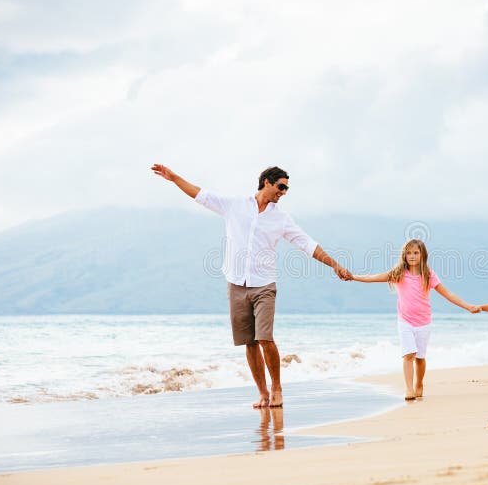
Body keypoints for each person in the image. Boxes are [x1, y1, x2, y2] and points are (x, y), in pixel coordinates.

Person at [151, 164, 352, 408]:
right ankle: (263, 393)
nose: (283, 192)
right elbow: (200, 194)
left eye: (287, 188)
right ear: (266, 182)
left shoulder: (281, 218)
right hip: (236, 284)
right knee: (249, 342)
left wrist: (334, 265)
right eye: (281, 186)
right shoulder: (235, 205)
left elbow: (307, 244)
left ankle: (277, 388)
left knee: (265, 338)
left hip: (264, 285)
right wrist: (173, 178)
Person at [352, 239, 480, 401]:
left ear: (422, 255)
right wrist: (353, 277)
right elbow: (373, 277)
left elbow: (448, 294)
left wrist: (468, 306)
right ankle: (409, 388)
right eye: (409, 253)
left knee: (420, 358)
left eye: (416, 252)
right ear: (404, 255)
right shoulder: (398, 274)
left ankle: (419, 383)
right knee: (409, 354)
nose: (412, 256)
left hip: (424, 322)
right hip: (405, 321)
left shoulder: (428, 274)